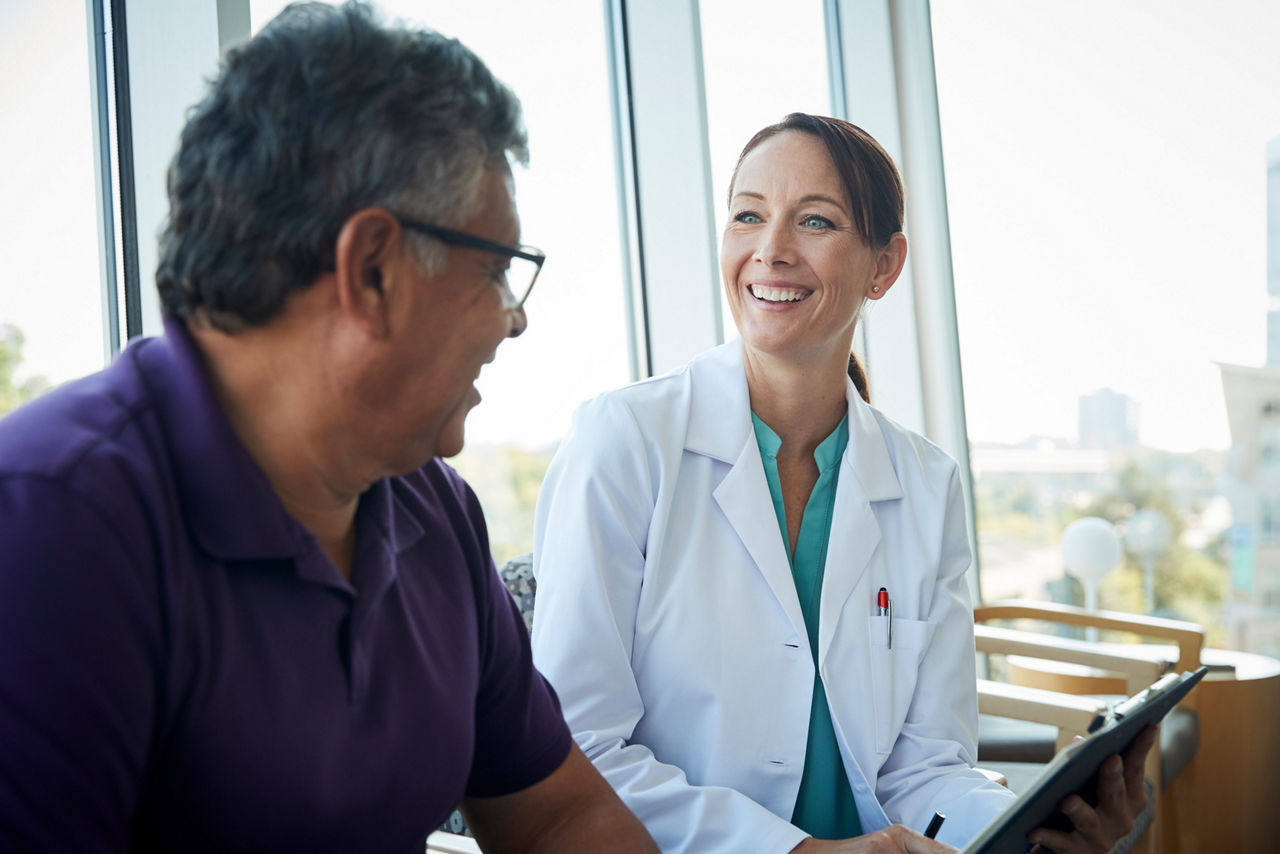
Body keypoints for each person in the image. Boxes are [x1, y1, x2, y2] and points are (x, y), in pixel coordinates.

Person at [0, 4, 659, 852]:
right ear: (373, 269)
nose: (513, 320)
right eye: (497, 271)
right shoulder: (51, 528)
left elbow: (559, 817)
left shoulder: (435, 514)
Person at [530, 113, 1154, 853]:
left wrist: (1029, 827)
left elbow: (923, 768)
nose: (771, 250)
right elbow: (574, 756)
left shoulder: (926, 485)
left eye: (815, 221)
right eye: (748, 216)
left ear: (884, 266)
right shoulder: (624, 443)